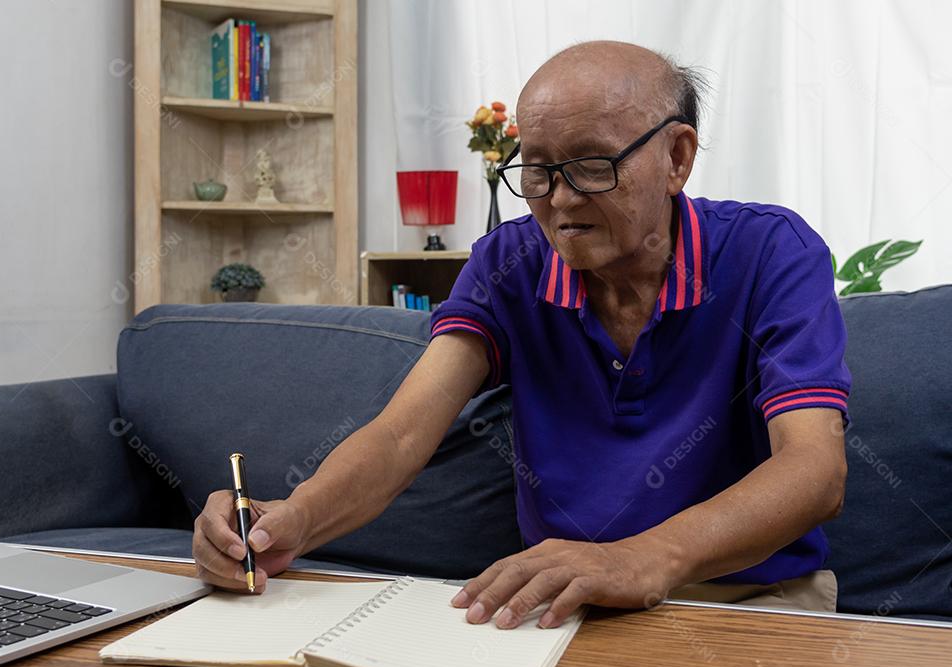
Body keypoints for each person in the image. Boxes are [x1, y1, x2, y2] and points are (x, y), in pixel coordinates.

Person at [193, 40, 850, 624]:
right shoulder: (509, 263)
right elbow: (399, 434)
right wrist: (294, 521)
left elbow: (814, 468)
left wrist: (648, 557)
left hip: (753, 599)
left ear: (677, 157)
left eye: (592, 165)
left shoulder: (772, 252)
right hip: (571, 604)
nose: (559, 200)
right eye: (536, 170)